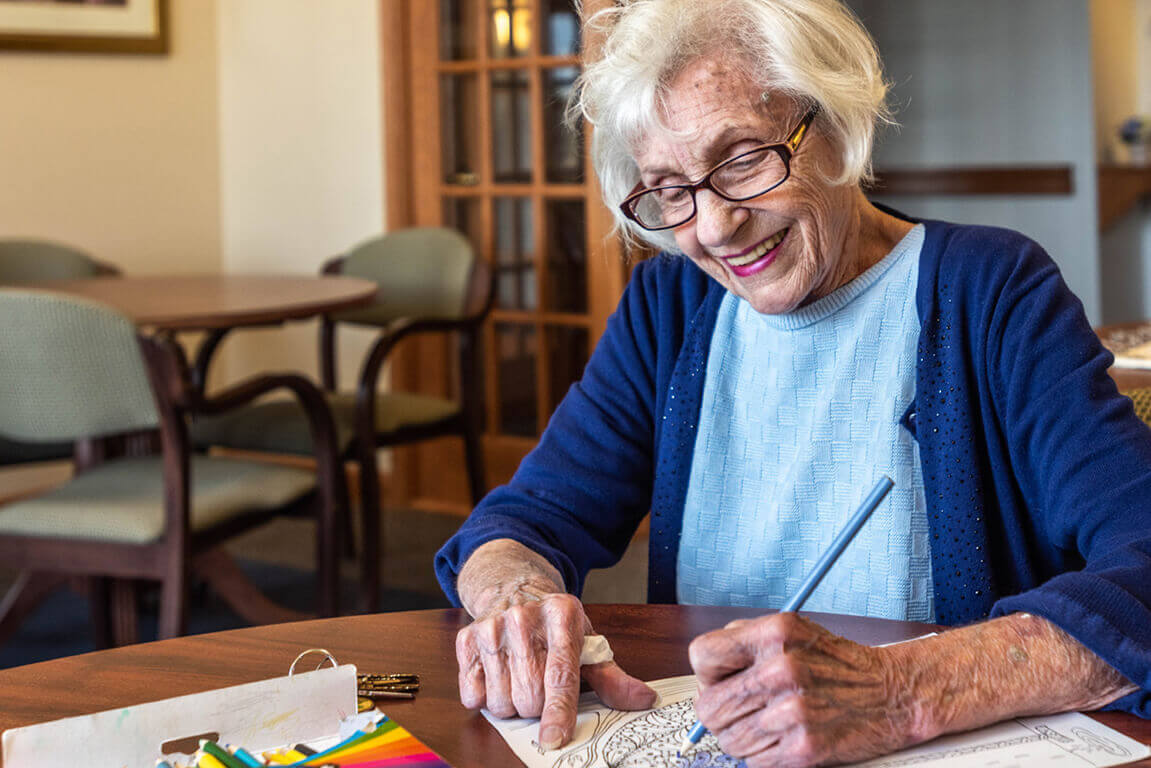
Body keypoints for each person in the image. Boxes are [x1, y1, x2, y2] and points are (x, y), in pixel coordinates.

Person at [434, 0, 1151, 765]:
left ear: (835, 122)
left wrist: (900, 690)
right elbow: (525, 519)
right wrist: (516, 602)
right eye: (669, 190)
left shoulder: (988, 291)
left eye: (741, 158)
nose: (711, 228)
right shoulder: (669, 307)